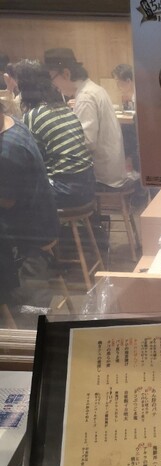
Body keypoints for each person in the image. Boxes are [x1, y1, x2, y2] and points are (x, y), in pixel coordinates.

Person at [0, 99, 60, 312]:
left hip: (30, 233)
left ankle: (13, 312)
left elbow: (7, 201)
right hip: (43, 219)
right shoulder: (12, 123)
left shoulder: (7, 150)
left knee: (30, 305)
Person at [44, 47, 128, 190]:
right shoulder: (93, 89)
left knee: (55, 181)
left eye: (52, 78)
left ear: (66, 74)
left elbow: (87, 143)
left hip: (103, 177)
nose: (54, 85)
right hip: (112, 170)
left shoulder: (85, 97)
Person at [15, 59, 95, 208]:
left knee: (14, 194)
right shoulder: (64, 108)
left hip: (65, 191)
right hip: (88, 186)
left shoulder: (33, 116)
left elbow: (30, 159)